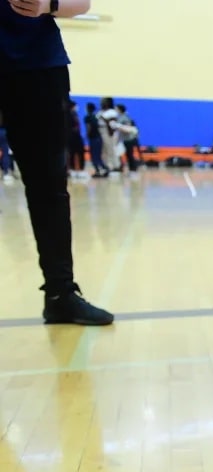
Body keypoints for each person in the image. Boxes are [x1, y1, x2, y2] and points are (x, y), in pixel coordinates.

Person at [0, 0, 113, 325]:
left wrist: (46, 4)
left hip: (38, 66)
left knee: (49, 187)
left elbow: (81, 3)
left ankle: (60, 294)